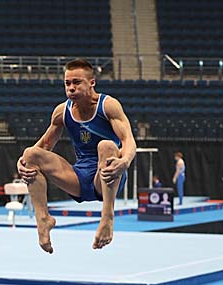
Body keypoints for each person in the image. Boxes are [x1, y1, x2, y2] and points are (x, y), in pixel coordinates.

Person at [17, 59, 136, 254]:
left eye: (77, 82)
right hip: (79, 178)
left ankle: (107, 217)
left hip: (107, 175)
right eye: (67, 83)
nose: (71, 88)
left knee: (106, 146)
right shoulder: (62, 112)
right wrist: (21, 163)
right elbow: (44, 145)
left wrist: (124, 162)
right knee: (30, 154)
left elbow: (128, 140)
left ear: (92, 83)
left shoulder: (108, 106)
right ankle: (43, 220)